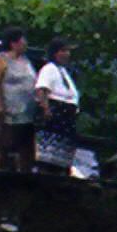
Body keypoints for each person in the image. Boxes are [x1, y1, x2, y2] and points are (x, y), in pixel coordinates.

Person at [0, 30, 36, 173]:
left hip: (27, 112)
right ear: (14, 43)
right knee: (2, 144)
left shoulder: (26, 61)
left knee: (25, 146)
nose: (25, 43)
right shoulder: (1, 59)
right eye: (23, 40)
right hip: (8, 110)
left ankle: (23, 174)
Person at [33, 39, 80, 173]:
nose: (67, 54)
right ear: (55, 53)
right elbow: (42, 89)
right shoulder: (49, 69)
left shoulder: (63, 71)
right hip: (55, 112)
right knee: (48, 156)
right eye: (63, 51)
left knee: (62, 158)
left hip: (67, 115)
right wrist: (46, 109)